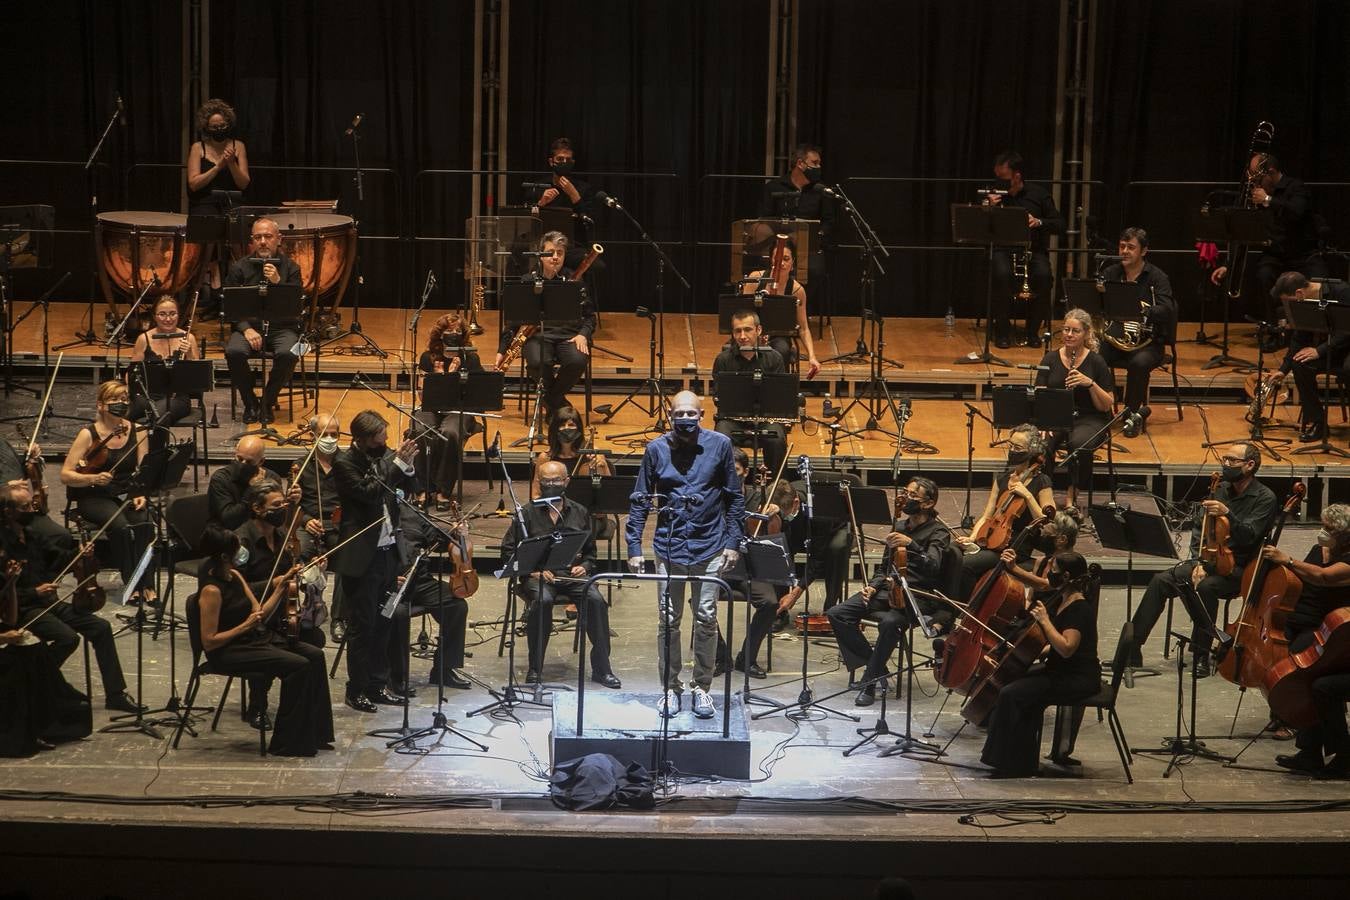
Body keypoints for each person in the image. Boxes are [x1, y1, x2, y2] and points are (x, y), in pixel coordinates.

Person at [627, 391, 744, 720]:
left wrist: (734, 542)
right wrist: (634, 547)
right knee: (668, 620)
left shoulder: (720, 445)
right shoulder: (655, 449)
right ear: (670, 413)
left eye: (692, 413)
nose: (686, 419)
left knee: (706, 617)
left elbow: (734, 497)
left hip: (710, 543)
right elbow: (640, 500)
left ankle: (701, 688)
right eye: (680, 413)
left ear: (702, 414)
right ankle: (670, 688)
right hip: (669, 544)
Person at [1129, 443, 1277, 677]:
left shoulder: (1265, 498)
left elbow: (1249, 536)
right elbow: (1201, 529)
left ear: (1249, 465)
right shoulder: (1220, 490)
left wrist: (1228, 514)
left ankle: (1201, 654)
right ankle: (1132, 648)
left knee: (1206, 588)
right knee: (1160, 580)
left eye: (1232, 461)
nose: (1225, 464)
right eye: (1224, 459)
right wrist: (1199, 561)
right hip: (1208, 562)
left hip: (1239, 569)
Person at [0, 482, 142, 715]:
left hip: (47, 602)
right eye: (25, 507)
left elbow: (58, 560)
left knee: (101, 627)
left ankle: (115, 695)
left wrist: (78, 554)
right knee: (67, 639)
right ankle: (35, 683)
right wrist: (34, 592)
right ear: (8, 512)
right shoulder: (3, 545)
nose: (32, 511)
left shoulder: (32, 534)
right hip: (23, 609)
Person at [194, 524, 333, 757]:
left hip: (255, 638)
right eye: (237, 549)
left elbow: (260, 613)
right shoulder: (211, 591)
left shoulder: (235, 575)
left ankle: (316, 733)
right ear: (225, 556)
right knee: (298, 666)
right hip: (230, 650)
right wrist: (244, 627)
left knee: (315, 656)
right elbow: (209, 641)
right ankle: (288, 743)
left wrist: (280, 587)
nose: (241, 551)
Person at [826, 477, 954, 707]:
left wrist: (911, 545)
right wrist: (873, 586)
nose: (905, 498)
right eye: (905, 492)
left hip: (917, 598)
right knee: (837, 613)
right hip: (888, 591)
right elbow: (885, 567)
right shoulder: (900, 526)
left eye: (913, 495)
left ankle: (869, 683)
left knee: (889, 623)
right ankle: (879, 669)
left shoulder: (939, 532)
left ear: (928, 503)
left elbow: (933, 565)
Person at [980, 551, 1100, 777]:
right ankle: (1021, 760)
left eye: (1052, 572)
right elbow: (1056, 647)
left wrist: (1044, 621)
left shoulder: (1079, 608)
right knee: (1014, 681)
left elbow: (1066, 648)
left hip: (1077, 678)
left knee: (1010, 693)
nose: (1048, 575)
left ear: (1065, 576)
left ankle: (1009, 762)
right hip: (1061, 669)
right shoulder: (1064, 597)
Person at [502, 461, 620, 688]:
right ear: (539, 482)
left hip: (571, 576)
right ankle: (535, 667)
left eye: (556, 481)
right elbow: (508, 551)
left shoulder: (579, 512)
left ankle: (602, 669)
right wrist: (533, 571)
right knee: (542, 601)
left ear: (566, 482)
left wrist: (584, 566)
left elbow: (590, 552)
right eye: (546, 481)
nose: (551, 485)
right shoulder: (526, 513)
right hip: (537, 578)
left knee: (596, 601)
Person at [331, 410, 419, 712]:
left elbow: (406, 490)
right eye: (381, 434)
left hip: (388, 552)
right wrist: (395, 466)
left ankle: (378, 684)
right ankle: (355, 690)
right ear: (366, 438)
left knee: (386, 621)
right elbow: (370, 494)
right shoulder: (344, 463)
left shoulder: (384, 457)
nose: (387, 439)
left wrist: (406, 468)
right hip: (362, 556)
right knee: (363, 626)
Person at [1260, 504, 1350, 777]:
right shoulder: (1320, 549)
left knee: (1311, 683)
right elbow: (1302, 578)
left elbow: (1323, 577)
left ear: (1345, 533)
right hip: (1303, 623)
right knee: (1308, 682)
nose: (1323, 531)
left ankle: (1336, 755)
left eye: (1330, 528)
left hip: (1325, 631)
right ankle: (1310, 752)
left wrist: (1286, 560)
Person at [58, 380, 156, 606]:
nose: (121, 403)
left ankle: (147, 584)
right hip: (93, 495)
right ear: (101, 405)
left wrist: (140, 492)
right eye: (114, 400)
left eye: (124, 399)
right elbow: (65, 474)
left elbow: (143, 470)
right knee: (121, 527)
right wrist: (93, 478)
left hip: (125, 492)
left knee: (145, 523)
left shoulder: (138, 430)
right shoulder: (88, 434)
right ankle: (132, 585)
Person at [1209, 152, 1327, 324]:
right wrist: (1230, 265)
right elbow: (1245, 234)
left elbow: (1297, 212)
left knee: (1321, 280)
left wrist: (1268, 200)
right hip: (1276, 255)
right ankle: (1273, 327)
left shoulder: (1296, 187)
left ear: (1270, 172)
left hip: (1304, 254)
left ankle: (1315, 330)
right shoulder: (1259, 196)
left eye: (1258, 178)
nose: (1255, 184)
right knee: (1265, 274)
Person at [495, 231, 594, 417]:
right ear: (540, 255)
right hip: (537, 336)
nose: (555, 257)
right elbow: (513, 322)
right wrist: (502, 350)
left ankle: (549, 400)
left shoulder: (576, 281)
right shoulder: (527, 281)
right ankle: (558, 404)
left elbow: (590, 316)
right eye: (550, 252)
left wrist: (583, 334)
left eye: (560, 253)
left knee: (577, 360)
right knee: (537, 361)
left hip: (570, 336)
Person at [956, 424, 1056, 596]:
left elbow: (1047, 521)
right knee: (953, 552)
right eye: (1010, 445)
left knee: (966, 564)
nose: (1012, 450)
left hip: (1013, 547)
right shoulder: (1002, 478)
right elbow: (987, 516)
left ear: (1031, 451)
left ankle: (968, 607)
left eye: (1017, 448)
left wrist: (1028, 496)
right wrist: (972, 538)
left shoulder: (1041, 482)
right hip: (990, 539)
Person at [223, 217, 303, 425]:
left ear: (279, 239)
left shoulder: (292, 268)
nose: (263, 242)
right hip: (249, 328)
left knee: (290, 352)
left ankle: (268, 400)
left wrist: (278, 282)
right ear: (252, 241)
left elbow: (295, 309)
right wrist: (246, 329)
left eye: (268, 236)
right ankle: (250, 402)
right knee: (234, 352)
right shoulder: (239, 268)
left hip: (282, 328)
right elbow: (230, 309)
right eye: (257, 237)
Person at [1096, 227, 1176, 430]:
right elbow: (1098, 305)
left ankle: (1131, 414)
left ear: (1144, 251)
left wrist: (1143, 310)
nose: (1124, 251)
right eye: (1122, 246)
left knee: (1139, 363)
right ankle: (1101, 409)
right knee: (1094, 358)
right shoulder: (1110, 273)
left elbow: (1167, 309)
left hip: (1148, 343)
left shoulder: (1157, 277)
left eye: (1131, 247)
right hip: (1116, 340)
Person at [1036, 308, 1115, 511]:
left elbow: (1106, 404)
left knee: (1079, 444)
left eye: (1075, 331)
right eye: (1066, 329)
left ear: (1086, 334)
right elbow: (1040, 394)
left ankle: (1072, 495)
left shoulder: (1097, 362)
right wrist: (1044, 421)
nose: (1069, 335)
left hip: (1090, 417)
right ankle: (1046, 497)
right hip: (1056, 415)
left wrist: (1089, 383)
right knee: (1041, 443)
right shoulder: (1050, 359)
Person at [986, 150, 1064, 348]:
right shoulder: (994, 194)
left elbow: (1059, 224)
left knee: (1044, 276)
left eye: (1003, 178)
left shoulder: (1039, 195)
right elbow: (980, 228)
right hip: (1003, 249)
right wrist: (987, 208)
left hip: (1033, 250)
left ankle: (1032, 332)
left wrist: (1037, 222)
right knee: (1001, 274)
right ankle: (1002, 331)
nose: (1000, 182)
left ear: (1017, 175)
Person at [1265, 272, 1350, 443]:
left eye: (1287, 301)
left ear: (1299, 294)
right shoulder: (1304, 302)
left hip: (1347, 346)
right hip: (1330, 350)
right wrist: (1283, 370)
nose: (1288, 306)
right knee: (1300, 364)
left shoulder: (1343, 292)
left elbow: (1347, 331)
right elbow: (1299, 339)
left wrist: (1320, 350)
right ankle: (1318, 422)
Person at [392, 510, 471, 690]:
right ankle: (395, 676)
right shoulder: (375, 516)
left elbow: (438, 540)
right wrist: (387, 578)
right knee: (398, 613)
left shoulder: (411, 514)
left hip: (419, 580)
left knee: (456, 605)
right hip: (389, 584)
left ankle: (443, 669)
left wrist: (455, 534)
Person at [414, 312, 485, 508]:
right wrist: (440, 380)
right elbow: (422, 396)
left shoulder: (470, 359)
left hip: (460, 409)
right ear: (440, 333)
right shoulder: (428, 358)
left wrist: (453, 379)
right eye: (449, 330)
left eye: (457, 331)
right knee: (420, 430)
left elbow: (477, 394)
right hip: (432, 408)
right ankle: (422, 489)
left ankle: (442, 491)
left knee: (450, 433)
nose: (453, 334)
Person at [712, 309, 790, 476]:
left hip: (765, 418)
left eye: (747, 329)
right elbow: (719, 397)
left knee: (776, 438)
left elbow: (780, 397)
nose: (742, 336)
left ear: (758, 330)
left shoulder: (774, 358)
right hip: (734, 419)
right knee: (721, 435)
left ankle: (774, 488)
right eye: (737, 331)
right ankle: (727, 483)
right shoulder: (723, 360)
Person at [756, 143, 834, 306]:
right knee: (761, 267)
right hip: (778, 245)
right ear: (800, 163)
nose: (818, 167)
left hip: (808, 248)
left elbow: (828, 222)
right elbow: (765, 219)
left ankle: (797, 308)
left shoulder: (821, 191)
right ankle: (772, 306)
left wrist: (816, 237)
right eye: (815, 163)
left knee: (815, 271)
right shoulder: (774, 187)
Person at [531, 406, 613, 542]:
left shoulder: (592, 453)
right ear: (555, 429)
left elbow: (609, 491)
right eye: (562, 425)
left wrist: (602, 466)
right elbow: (535, 494)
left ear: (579, 429)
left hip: (589, 517)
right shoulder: (545, 458)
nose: (566, 428)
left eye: (571, 425)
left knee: (574, 530)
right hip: (555, 515)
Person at [739, 244, 822, 379]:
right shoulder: (755, 278)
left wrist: (812, 357)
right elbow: (742, 314)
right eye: (777, 259)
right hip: (750, 331)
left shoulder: (797, 290)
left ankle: (776, 389)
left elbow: (803, 328)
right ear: (771, 260)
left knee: (781, 350)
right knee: (737, 348)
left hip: (778, 335)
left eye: (786, 259)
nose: (781, 263)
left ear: (792, 262)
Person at [127, 295, 202, 428]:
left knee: (159, 415)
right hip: (147, 395)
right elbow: (132, 373)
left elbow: (197, 378)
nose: (168, 319)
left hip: (176, 397)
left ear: (179, 315)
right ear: (154, 316)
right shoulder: (144, 339)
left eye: (172, 314)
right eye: (162, 314)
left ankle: (155, 448)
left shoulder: (188, 338)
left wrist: (189, 352)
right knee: (124, 413)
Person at [186, 99, 250, 215]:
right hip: (204, 204)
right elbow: (193, 185)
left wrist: (231, 163)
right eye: (214, 127)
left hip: (233, 203)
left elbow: (244, 184)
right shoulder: (198, 147)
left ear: (228, 124)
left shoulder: (239, 146)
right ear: (206, 127)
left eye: (222, 126)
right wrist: (217, 167)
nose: (219, 130)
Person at [208, 436, 277, 529]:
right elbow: (229, 520)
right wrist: (252, 490)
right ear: (235, 454)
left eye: (249, 462)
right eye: (239, 459)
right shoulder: (220, 479)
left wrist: (291, 503)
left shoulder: (271, 478)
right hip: (228, 535)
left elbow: (277, 520)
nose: (242, 465)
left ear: (261, 461)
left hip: (258, 533)